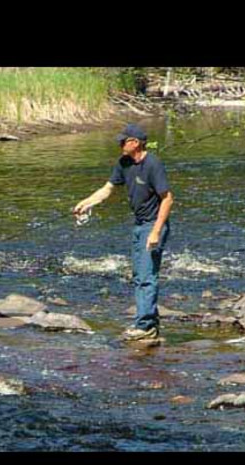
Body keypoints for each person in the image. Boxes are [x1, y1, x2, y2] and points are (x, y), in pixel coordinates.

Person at [73, 123, 174, 341]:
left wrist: (155, 232)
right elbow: (108, 189)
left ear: (135, 143)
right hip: (139, 225)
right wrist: (87, 203)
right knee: (139, 276)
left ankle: (145, 325)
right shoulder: (124, 163)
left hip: (152, 225)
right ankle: (149, 324)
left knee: (147, 277)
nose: (120, 144)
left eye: (123, 141)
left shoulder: (153, 164)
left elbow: (167, 198)